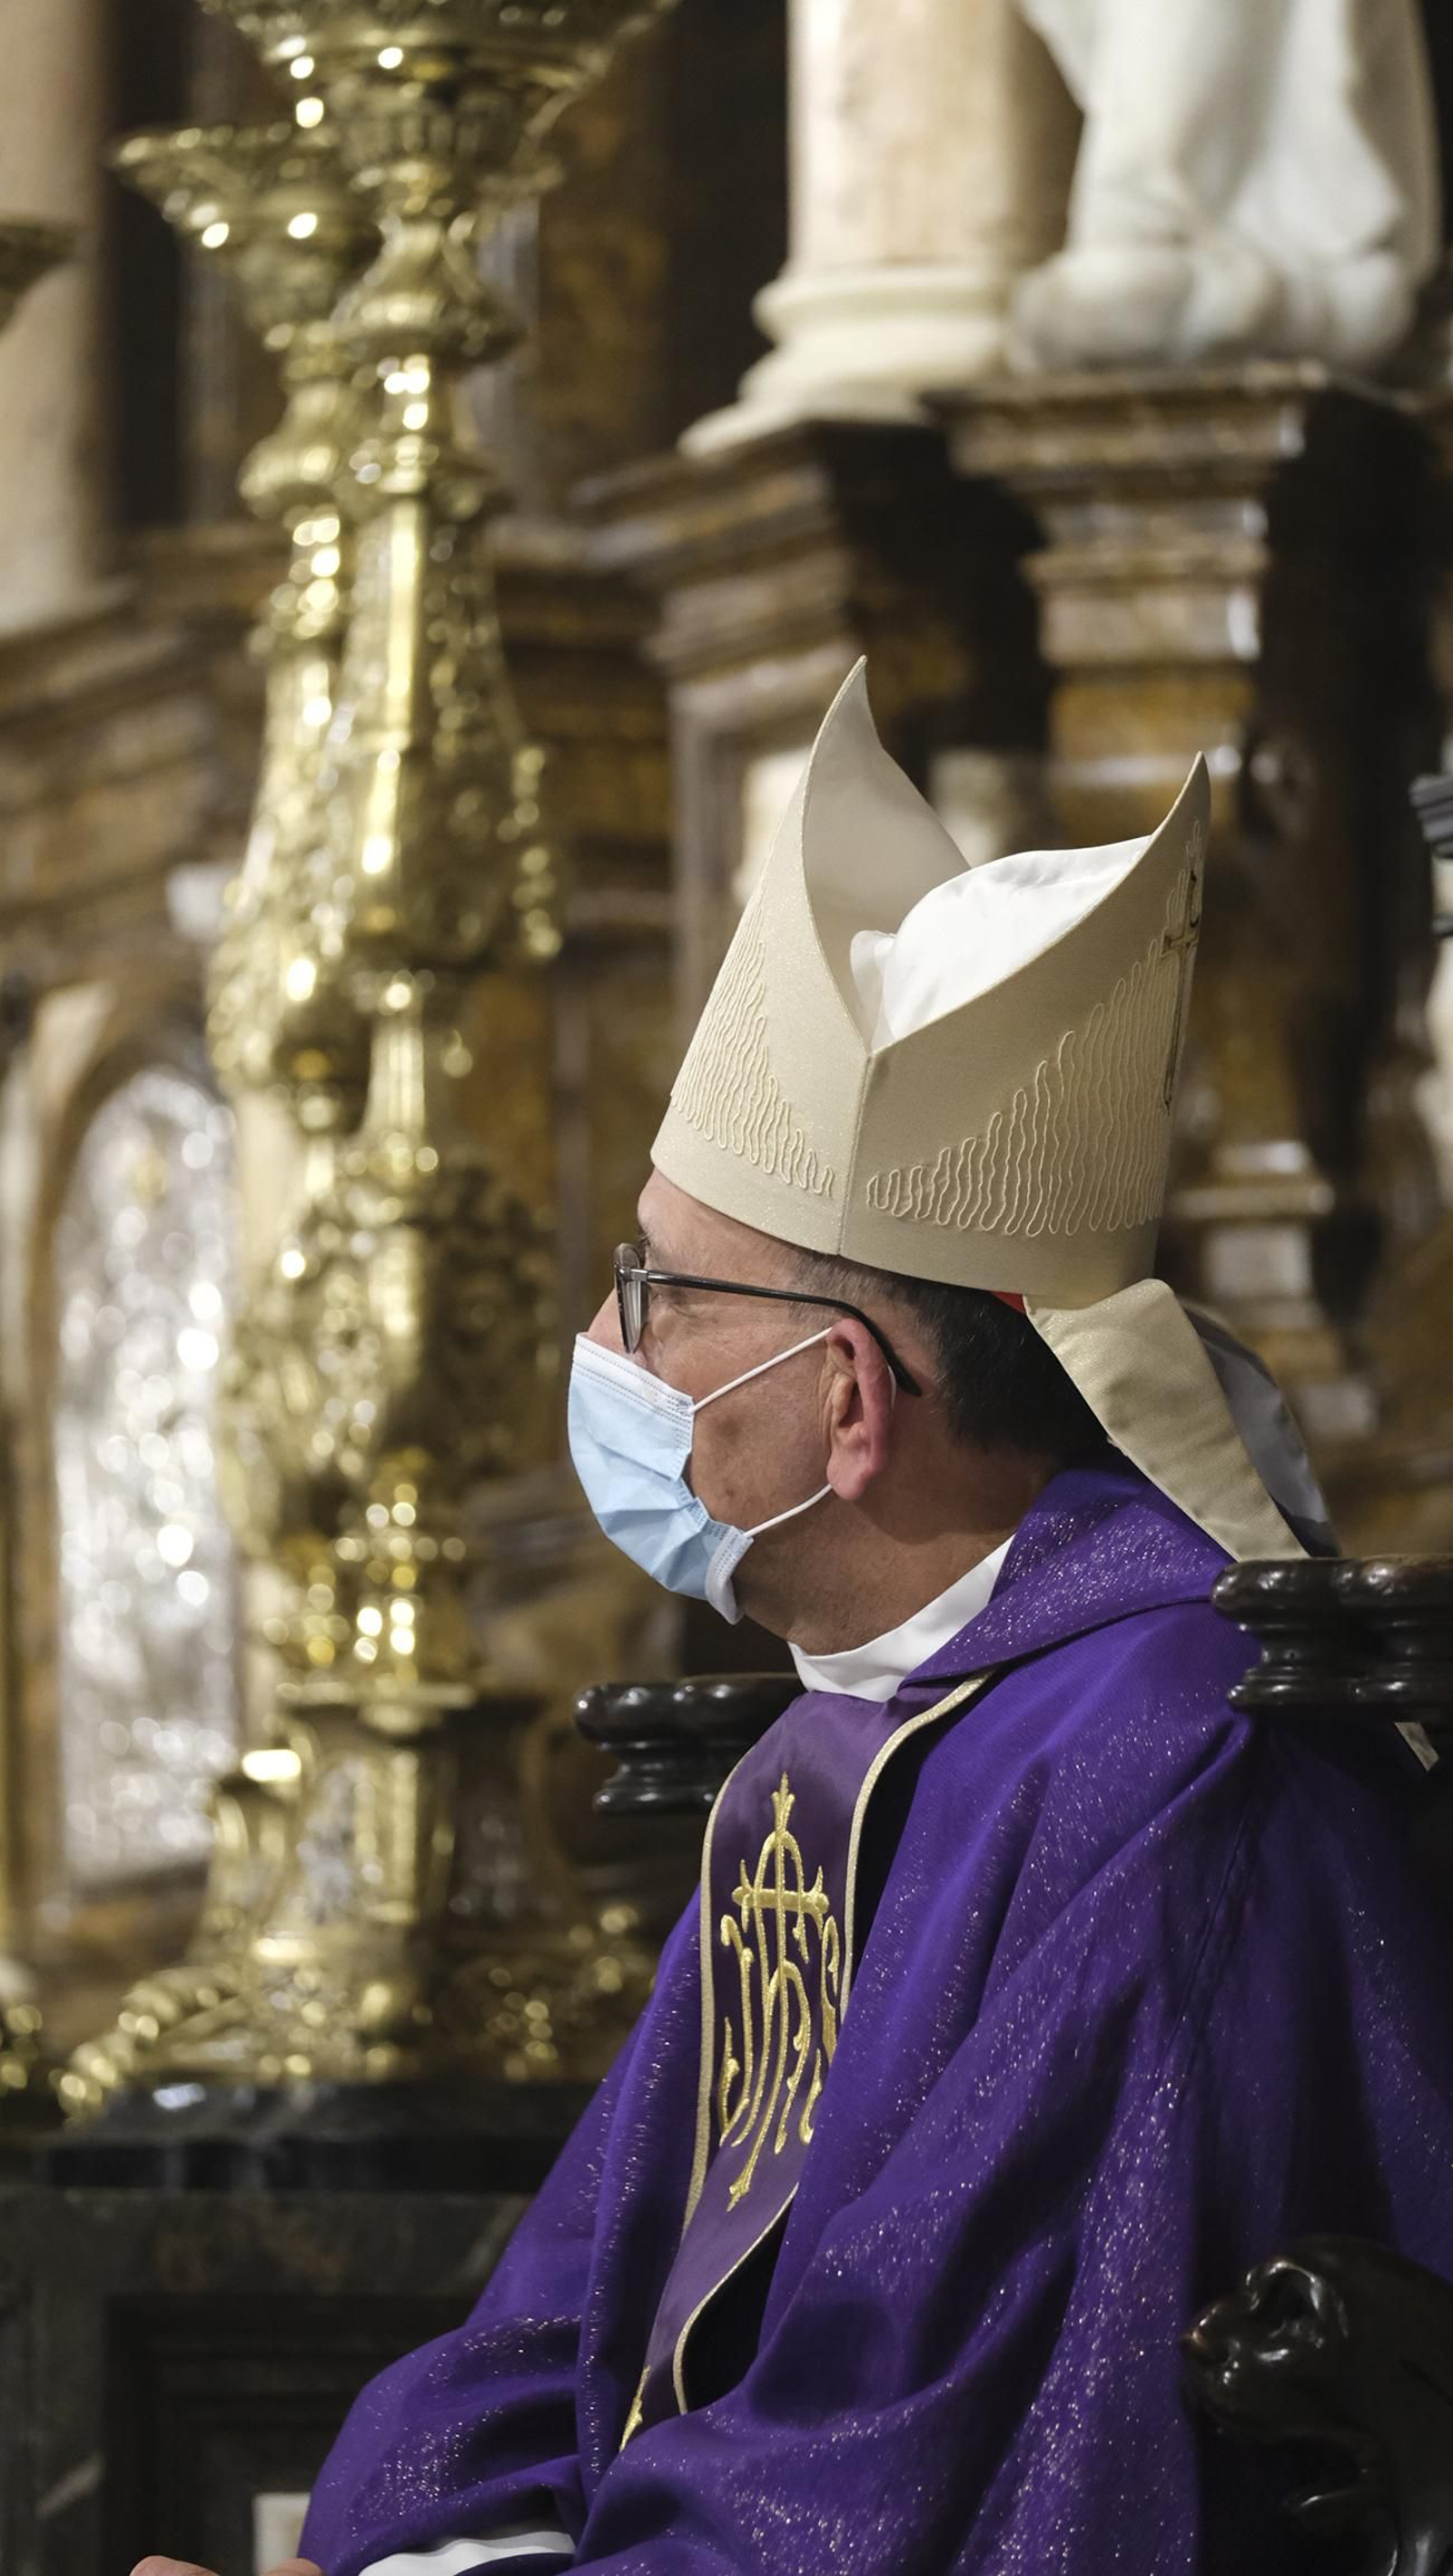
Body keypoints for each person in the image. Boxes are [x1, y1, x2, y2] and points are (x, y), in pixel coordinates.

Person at [137, 666, 1453, 2576]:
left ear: (844, 1404)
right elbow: (578, 2327)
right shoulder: (834, 1743)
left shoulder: (1168, 1763)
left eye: (657, 1292)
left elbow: (924, 2450)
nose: (605, 1350)